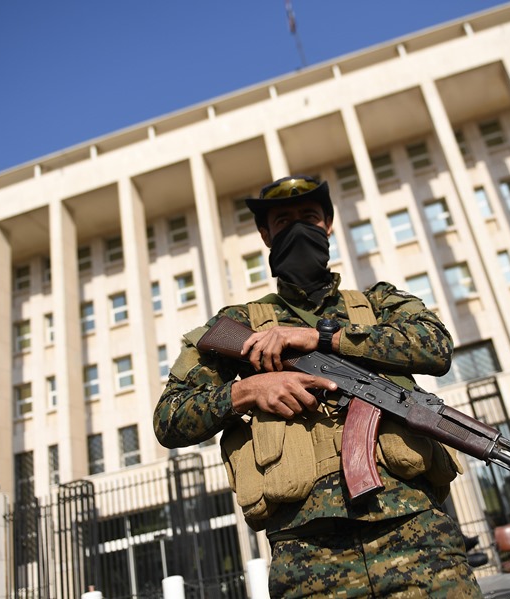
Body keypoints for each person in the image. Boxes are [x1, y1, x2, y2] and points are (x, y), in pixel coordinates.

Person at [154, 175, 483, 598]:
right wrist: (247, 392)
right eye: (283, 221)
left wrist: (324, 338)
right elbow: (169, 418)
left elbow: (435, 346)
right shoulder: (239, 325)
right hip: (307, 555)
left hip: (418, 535)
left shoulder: (377, 304)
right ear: (265, 234)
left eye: (308, 218)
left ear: (327, 226)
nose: (297, 229)